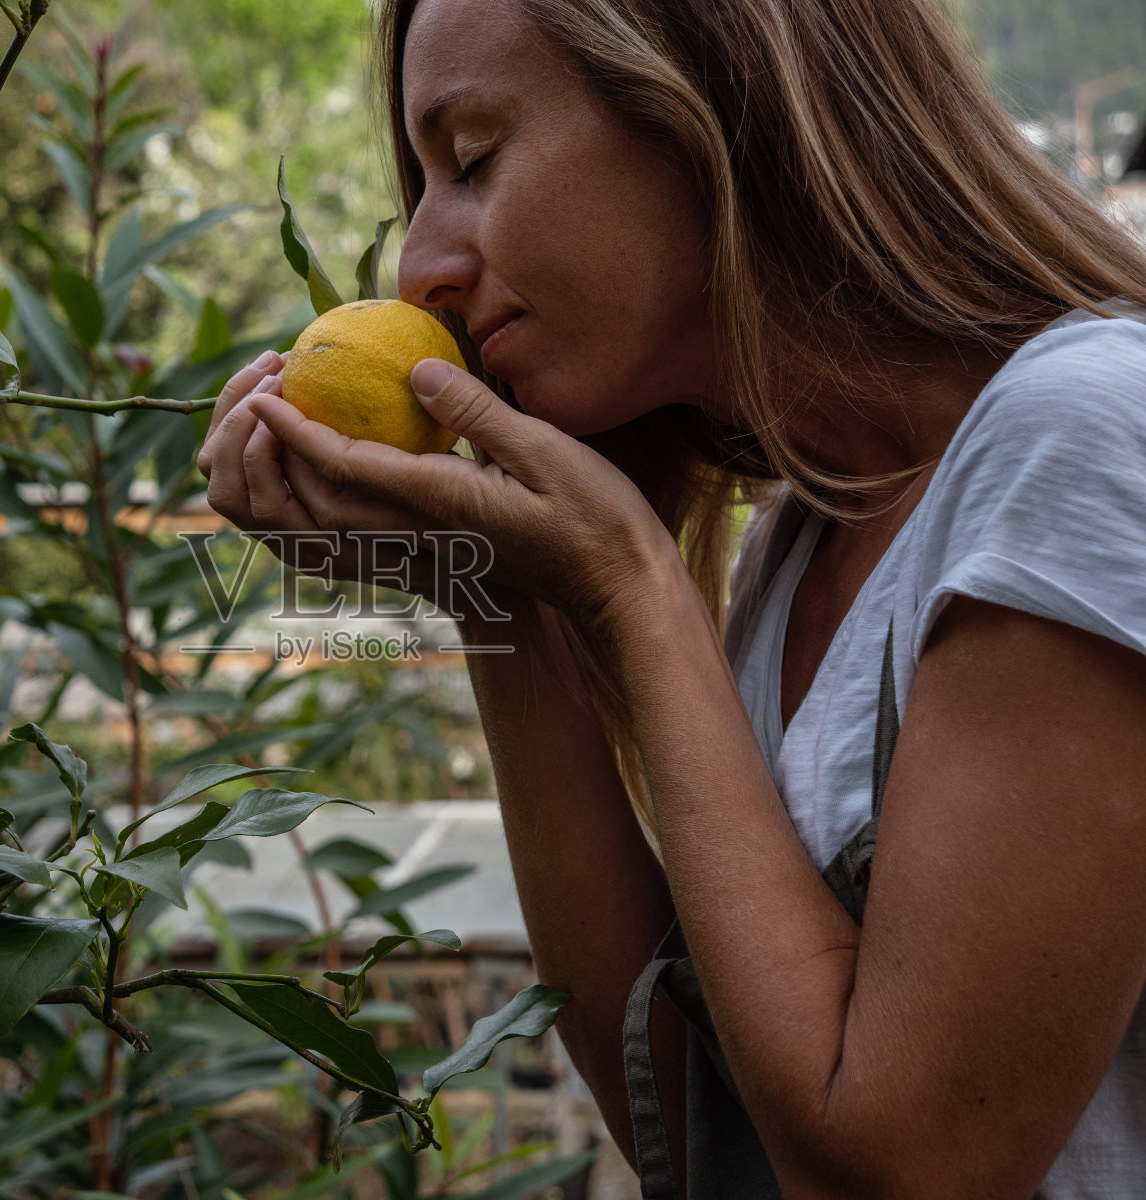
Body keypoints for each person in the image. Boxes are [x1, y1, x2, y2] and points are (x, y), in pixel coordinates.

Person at [196, 0, 1146, 1194]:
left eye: (474, 160)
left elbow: (904, 1174)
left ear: (715, 103)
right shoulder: (807, 541)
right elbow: (686, 1122)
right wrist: (490, 586)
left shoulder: (1089, 433)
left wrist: (633, 590)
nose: (419, 270)